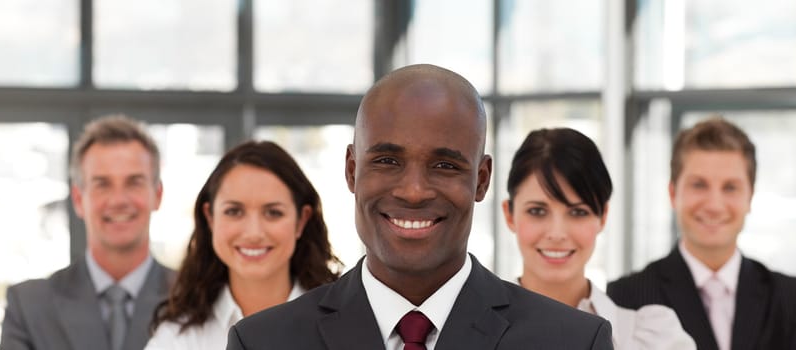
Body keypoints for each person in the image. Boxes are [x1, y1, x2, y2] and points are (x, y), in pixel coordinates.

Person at [226, 64, 613, 349]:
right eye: (387, 161)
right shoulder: (261, 342)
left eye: (445, 166)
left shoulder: (574, 342)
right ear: (351, 171)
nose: (413, 191)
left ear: (481, 180)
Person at [607, 117, 796, 350]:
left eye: (730, 187)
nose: (714, 204)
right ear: (672, 193)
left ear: (750, 197)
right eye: (699, 185)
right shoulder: (627, 298)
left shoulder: (794, 301)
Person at [502, 128, 695, 349]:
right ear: (509, 214)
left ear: (602, 217)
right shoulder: (468, 327)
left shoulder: (655, 339)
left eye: (578, 212)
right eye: (537, 211)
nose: (557, 234)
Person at [0, 115, 175, 350]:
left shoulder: (198, 299)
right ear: (78, 199)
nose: (118, 200)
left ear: (158, 195)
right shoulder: (29, 306)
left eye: (134, 182)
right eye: (102, 184)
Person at [145, 140, 341, 349]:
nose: (253, 233)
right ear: (210, 217)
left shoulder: (346, 319)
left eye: (273, 213)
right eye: (234, 211)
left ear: (301, 221)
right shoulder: (176, 338)